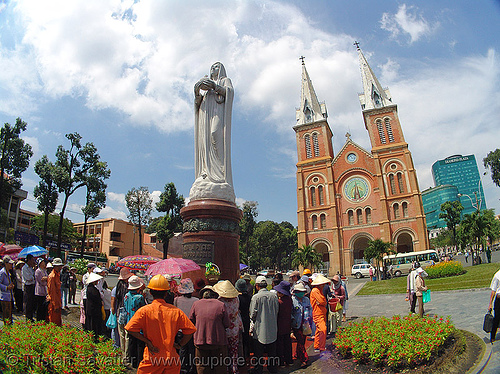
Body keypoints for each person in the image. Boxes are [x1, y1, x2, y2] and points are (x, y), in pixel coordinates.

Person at [126, 275, 197, 374]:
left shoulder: (144, 311)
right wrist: (179, 345)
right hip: (171, 360)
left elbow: (130, 328)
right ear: (166, 294)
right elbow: (190, 330)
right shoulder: (176, 312)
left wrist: (147, 341)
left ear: (150, 292)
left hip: (152, 358)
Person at [190, 62, 235, 202]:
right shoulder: (205, 87)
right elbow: (197, 103)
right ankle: (205, 172)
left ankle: (219, 174)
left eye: (216, 66)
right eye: (212, 67)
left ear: (221, 69)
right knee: (205, 142)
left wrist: (214, 86)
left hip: (217, 112)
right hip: (205, 116)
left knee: (215, 134)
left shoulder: (224, 81)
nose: (213, 69)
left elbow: (230, 93)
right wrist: (197, 91)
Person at [189, 285, 230, 374]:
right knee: (220, 366)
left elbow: (191, 321)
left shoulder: (196, 304)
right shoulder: (221, 305)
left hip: (200, 340)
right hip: (218, 341)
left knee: (202, 366)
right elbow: (227, 324)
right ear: (214, 295)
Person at [249, 275, 279, 374]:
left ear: (257, 286)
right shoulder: (274, 296)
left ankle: (259, 369)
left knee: (258, 352)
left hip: (259, 329)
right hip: (272, 328)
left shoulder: (256, 297)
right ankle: (272, 368)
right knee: (272, 351)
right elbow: (277, 310)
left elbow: (252, 314)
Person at [213, 280, 243, 374]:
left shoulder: (219, 302)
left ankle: (225, 369)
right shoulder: (236, 299)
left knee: (224, 351)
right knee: (234, 350)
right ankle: (234, 368)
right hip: (234, 328)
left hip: (223, 329)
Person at [174, 278, 198, 374]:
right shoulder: (196, 300)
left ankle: (183, 368)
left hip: (180, 329)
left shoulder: (176, 300)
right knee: (192, 349)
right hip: (192, 328)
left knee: (182, 349)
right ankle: (192, 368)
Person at [123, 275, 147, 368]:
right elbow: (143, 309)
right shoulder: (139, 297)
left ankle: (132, 361)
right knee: (139, 344)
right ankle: (138, 362)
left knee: (131, 342)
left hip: (129, 322)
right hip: (139, 324)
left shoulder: (126, 296)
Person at [112, 267, 133, 354]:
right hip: (128, 312)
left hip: (119, 312)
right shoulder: (129, 288)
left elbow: (114, 300)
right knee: (127, 334)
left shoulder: (118, 286)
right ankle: (127, 353)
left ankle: (122, 351)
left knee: (121, 334)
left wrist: (113, 310)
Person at [291, 282, 312, 367]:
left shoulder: (306, 300)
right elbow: (291, 313)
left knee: (302, 341)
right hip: (296, 324)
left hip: (305, 324)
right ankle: (304, 358)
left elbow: (310, 309)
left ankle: (297, 354)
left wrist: (309, 318)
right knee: (300, 341)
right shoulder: (292, 300)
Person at [274, 281, 293, 367]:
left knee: (280, 344)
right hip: (287, 324)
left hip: (280, 325)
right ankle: (289, 360)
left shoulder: (279, 302)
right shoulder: (289, 300)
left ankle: (281, 362)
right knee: (287, 343)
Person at [310, 274, 329, 353]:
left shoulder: (319, 290)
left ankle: (317, 345)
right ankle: (321, 347)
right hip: (318, 313)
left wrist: (322, 302)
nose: (324, 285)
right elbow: (322, 301)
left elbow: (322, 301)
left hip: (321, 312)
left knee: (318, 330)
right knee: (323, 329)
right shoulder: (315, 291)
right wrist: (322, 302)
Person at [235, 278, 251, 361]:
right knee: (246, 337)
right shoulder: (249, 297)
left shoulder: (238, 298)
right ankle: (247, 353)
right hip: (246, 317)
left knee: (240, 338)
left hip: (240, 318)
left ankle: (241, 355)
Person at [86, 271, 104, 340]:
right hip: (94, 310)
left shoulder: (90, 288)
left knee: (91, 324)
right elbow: (97, 299)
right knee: (94, 325)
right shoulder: (92, 289)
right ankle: (94, 337)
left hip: (91, 309)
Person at [47, 258, 63, 326]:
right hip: (54, 304)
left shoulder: (57, 275)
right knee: (54, 323)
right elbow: (52, 292)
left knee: (58, 323)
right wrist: (55, 305)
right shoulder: (52, 276)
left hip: (58, 302)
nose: (60, 268)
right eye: (59, 266)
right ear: (55, 266)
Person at [0, 255, 15, 325]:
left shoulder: (8, 272)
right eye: (10, 264)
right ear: (6, 264)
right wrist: (6, 287)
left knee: (9, 316)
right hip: (4, 297)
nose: (11, 265)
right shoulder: (2, 272)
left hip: (9, 296)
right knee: (6, 316)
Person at [82, 262, 96, 330]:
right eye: (92, 269)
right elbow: (86, 282)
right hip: (86, 296)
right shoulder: (85, 276)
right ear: (88, 269)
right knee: (87, 313)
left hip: (92, 296)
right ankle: (86, 328)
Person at [22, 254, 36, 321]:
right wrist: (33, 278)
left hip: (32, 286)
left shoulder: (31, 268)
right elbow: (29, 278)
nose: (33, 261)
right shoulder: (25, 268)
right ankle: (28, 317)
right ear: (29, 260)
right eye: (32, 260)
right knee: (27, 302)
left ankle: (30, 316)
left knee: (31, 302)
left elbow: (33, 277)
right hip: (27, 286)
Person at [488, 267, 500, 343]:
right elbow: (493, 291)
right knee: (497, 318)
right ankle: (492, 336)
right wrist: (490, 304)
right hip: (499, 300)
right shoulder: (497, 275)